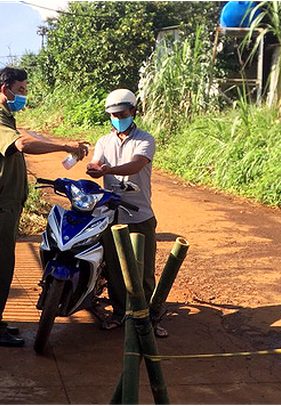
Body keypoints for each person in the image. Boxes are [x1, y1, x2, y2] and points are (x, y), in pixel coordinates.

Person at [0, 67, 89, 347]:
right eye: (21, 90)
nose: (24, 96)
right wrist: (64, 145)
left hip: (6, 202)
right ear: (5, 90)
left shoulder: (4, 116)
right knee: (0, 264)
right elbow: (22, 144)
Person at [86, 88, 167, 337]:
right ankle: (120, 313)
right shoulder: (103, 141)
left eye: (122, 113)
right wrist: (93, 167)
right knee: (115, 269)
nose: (117, 118)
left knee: (143, 272)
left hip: (139, 213)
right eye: (113, 114)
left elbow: (137, 164)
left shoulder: (145, 139)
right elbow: (95, 162)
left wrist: (108, 170)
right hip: (111, 216)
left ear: (133, 111)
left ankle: (149, 319)